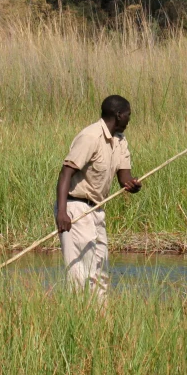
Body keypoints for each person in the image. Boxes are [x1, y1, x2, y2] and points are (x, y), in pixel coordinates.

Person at [54, 95, 141, 301]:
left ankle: (100, 320)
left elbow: (124, 178)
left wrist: (133, 186)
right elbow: (65, 174)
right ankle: (77, 317)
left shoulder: (120, 140)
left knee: (100, 269)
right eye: (128, 115)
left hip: (96, 210)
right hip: (75, 208)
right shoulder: (90, 137)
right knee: (80, 272)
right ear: (118, 115)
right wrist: (63, 213)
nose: (129, 119)